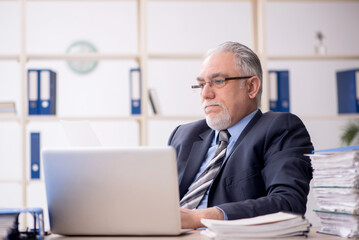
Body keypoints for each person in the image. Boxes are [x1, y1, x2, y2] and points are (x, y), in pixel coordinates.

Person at [168, 41, 313, 229]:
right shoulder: (184, 135)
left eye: (218, 81)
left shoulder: (281, 129)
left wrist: (200, 217)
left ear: (251, 87)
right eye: (201, 84)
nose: (206, 93)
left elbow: (288, 204)